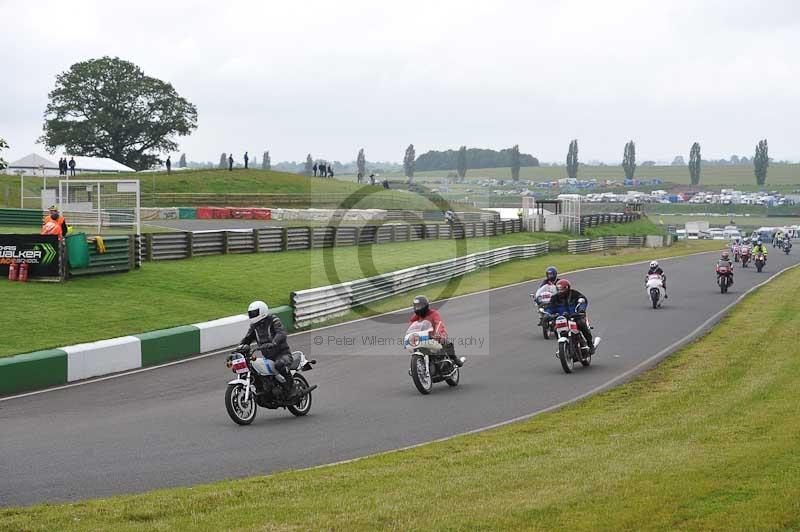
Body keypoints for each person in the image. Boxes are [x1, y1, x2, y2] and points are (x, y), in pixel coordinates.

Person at [237, 301, 298, 398]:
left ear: (262, 311)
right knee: (253, 368)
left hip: (282, 353)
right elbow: (247, 338)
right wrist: (239, 348)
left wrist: (274, 343)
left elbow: (281, 333)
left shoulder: (273, 320)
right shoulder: (254, 326)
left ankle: (291, 386)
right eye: (251, 313)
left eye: (254, 313)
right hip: (268, 357)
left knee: (280, 364)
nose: (252, 315)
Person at [409, 295, 465, 367]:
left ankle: (454, 359)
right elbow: (412, 328)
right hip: (424, 337)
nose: (418, 308)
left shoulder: (433, 313)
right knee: (415, 346)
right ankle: (419, 365)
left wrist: (437, 333)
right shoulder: (414, 318)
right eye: (416, 306)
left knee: (444, 340)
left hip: (437, 334)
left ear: (425, 305)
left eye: (419, 306)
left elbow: (438, 323)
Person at [546, 279, 595, 354]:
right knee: (555, 328)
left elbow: (582, 300)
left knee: (581, 324)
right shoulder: (554, 298)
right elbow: (550, 308)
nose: (560, 291)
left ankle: (590, 344)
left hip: (575, 316)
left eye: (562, 289)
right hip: (562, 317)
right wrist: (547, 314)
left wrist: (581, 309)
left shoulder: (574, 294)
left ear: (567, 288)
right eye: (559, 289)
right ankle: (562, 346)